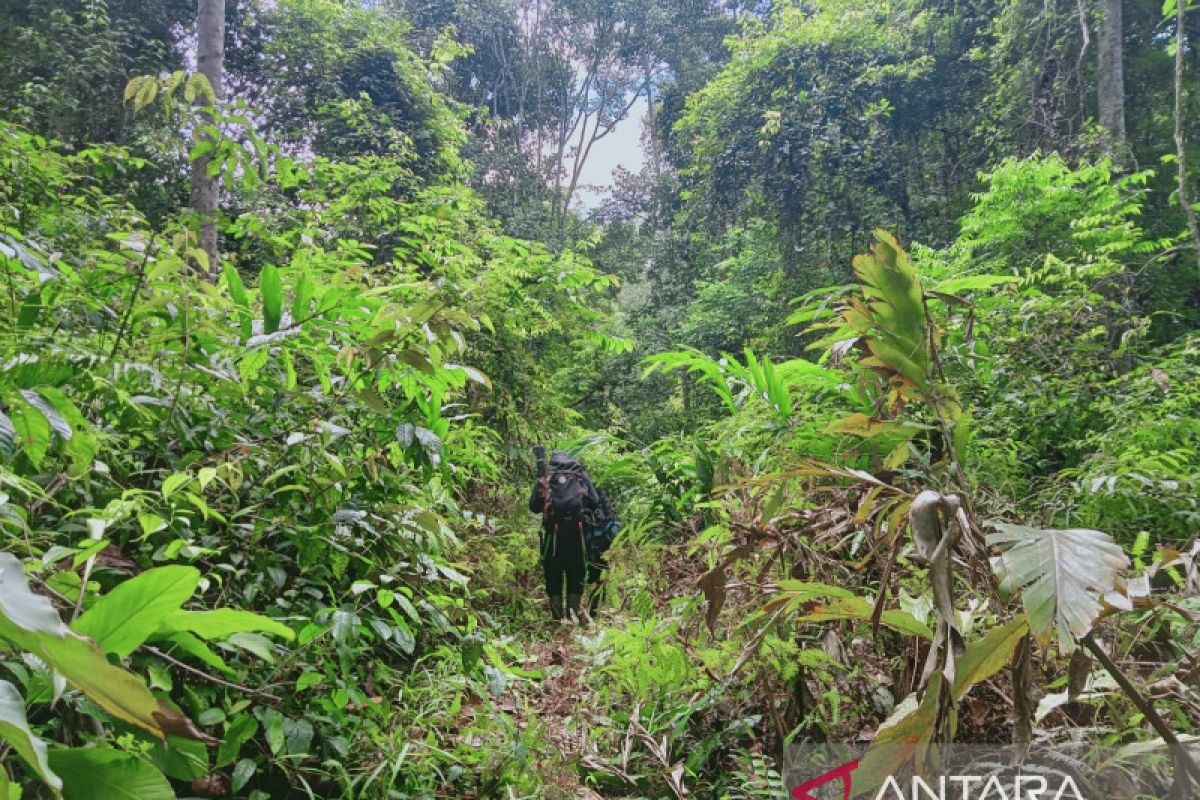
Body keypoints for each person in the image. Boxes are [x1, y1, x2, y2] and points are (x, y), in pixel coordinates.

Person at [529, 449, 600, 622]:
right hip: (577, 533)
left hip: (554, 534)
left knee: (553, 572)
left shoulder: (546, 476)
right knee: (576, 572)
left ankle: (557, 618)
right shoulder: (580, 475)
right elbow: (595, 501)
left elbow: (534, 506)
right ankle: (572, 615)